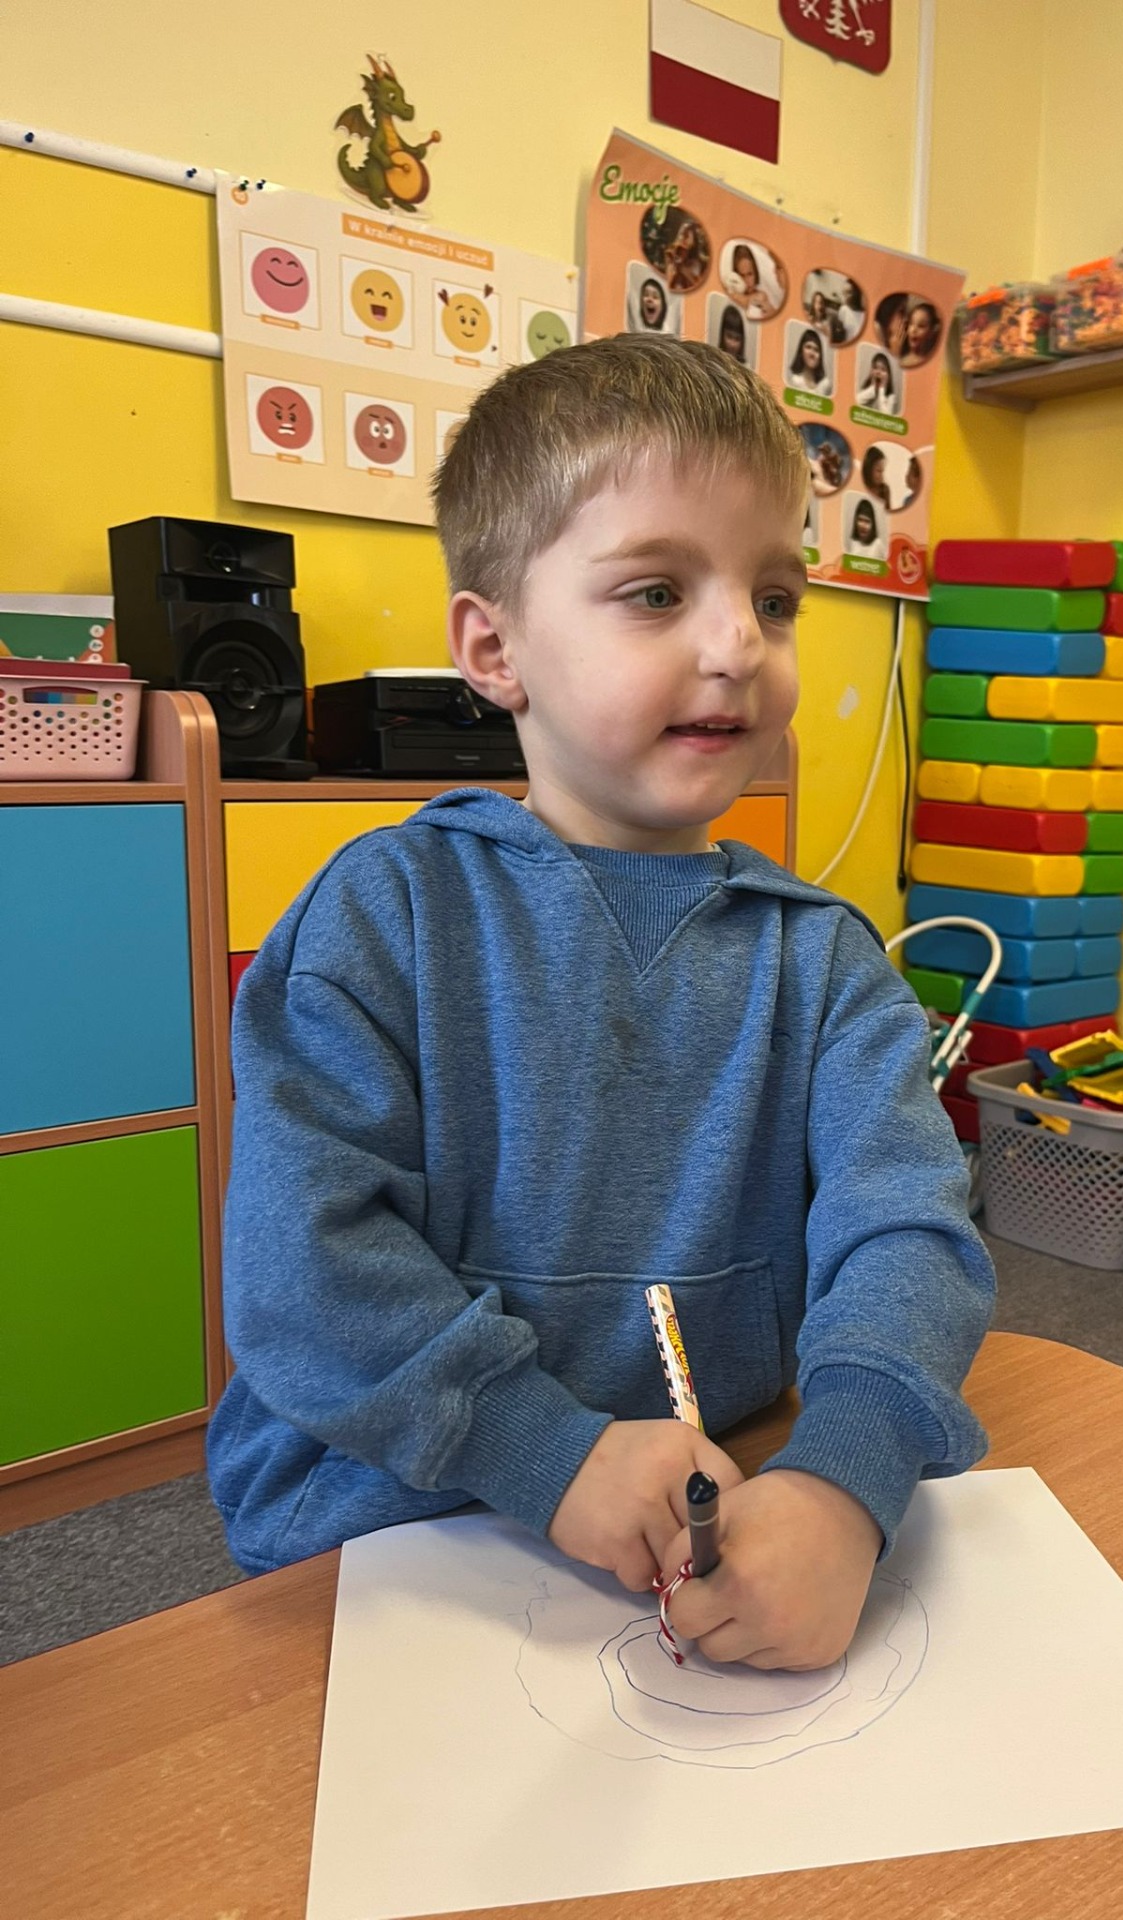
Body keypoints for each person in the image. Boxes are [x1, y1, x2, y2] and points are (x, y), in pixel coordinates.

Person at [208, 334, 993, 1673]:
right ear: (494, 647)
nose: (739, 644)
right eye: (656, 592)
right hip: (387, 1537)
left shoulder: (827, 960)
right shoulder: (382, 915)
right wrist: (545, 1448)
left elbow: (908, 1233)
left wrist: (844, 1478)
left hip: (715, 1516)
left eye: (776, 597)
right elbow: (305, 1268)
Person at [725, 243, 778, 320]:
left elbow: (749, 302)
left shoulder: (761, 295)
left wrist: (733, 295)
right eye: (742, 276)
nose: (747, 281)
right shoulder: (732, 294)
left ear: (755, 273)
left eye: (750, 274)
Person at [788, 326, 832, 396]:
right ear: (801, 351)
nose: (812, 353)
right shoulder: (794, 381)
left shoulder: (825, 385)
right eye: (808, 347)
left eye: (816, 350)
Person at [902, 299, 943, 367]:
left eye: (921, 326)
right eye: (911, 323)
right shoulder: (902, 360)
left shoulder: (934, 361)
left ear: (930, 333)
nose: (913, 330)